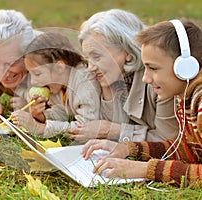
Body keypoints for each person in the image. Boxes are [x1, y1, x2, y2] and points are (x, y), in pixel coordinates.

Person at [82, 19, 202, 187]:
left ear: (185, 67)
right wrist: (129, 149)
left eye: (153, 68)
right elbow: (189, 151)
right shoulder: (185, 96)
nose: (146, 78)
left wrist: (145, 169)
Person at [68, 9, 179, 143]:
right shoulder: (108, 75)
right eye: (88, 58)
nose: (91, 67)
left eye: (96, 56)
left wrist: (111, 130)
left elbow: (168, 143)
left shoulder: (158, 78)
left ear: (127, 50)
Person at [11, 32, 101, 137]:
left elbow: (86, 129)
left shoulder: (85, 84)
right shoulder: (58, 84)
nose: (33, 82)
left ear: (59, 67)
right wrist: (41, 117)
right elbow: (62, 114)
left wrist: (40, 128)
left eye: (37, 73)